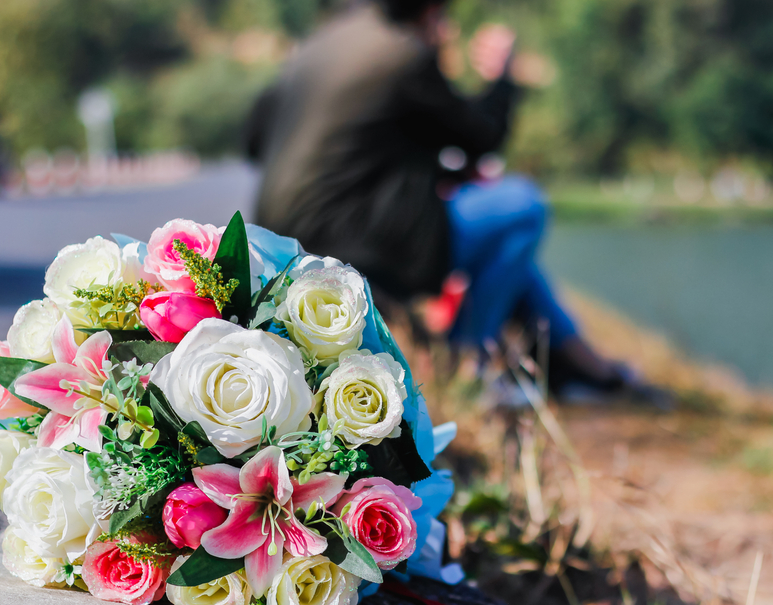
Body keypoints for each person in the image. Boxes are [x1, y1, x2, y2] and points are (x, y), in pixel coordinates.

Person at [246, 0, 671, 406]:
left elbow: (256, 139)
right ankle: (471, 364)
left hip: (285, 240)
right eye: (443, 19)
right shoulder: (401, 53)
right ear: (428, 12)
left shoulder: (321, 45)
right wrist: (502, 79)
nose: (447, 32)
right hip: (356, 240)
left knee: (507, 242)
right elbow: (481, 135)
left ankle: (575, 363)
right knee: (522, 207)